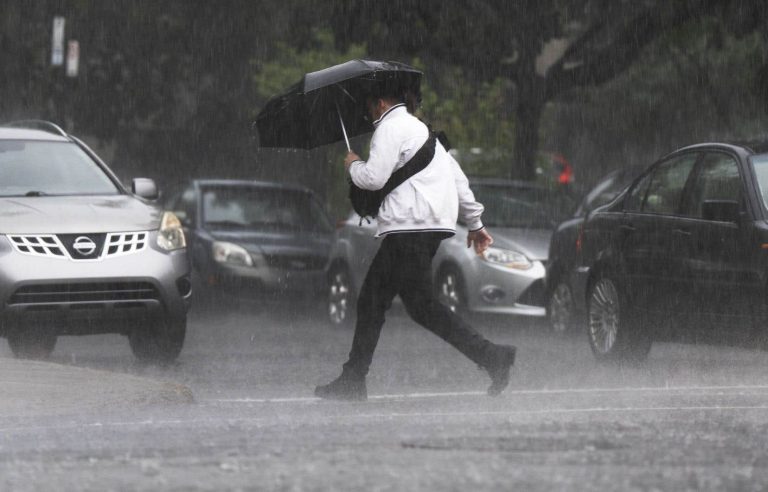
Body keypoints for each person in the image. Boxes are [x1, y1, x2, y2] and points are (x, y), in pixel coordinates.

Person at [314, 82, 516, 401]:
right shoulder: (425, 132)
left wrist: (352, 164)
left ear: (380, 103)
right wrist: (476, 224)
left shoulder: (390, 128)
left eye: (369, 107)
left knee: (374, 301)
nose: (369, 114)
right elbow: (459, 181)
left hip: (409, 228)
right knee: (419, 306)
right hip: (431, 227)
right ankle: (492, 357)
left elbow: (374, 178)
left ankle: (354, 380)